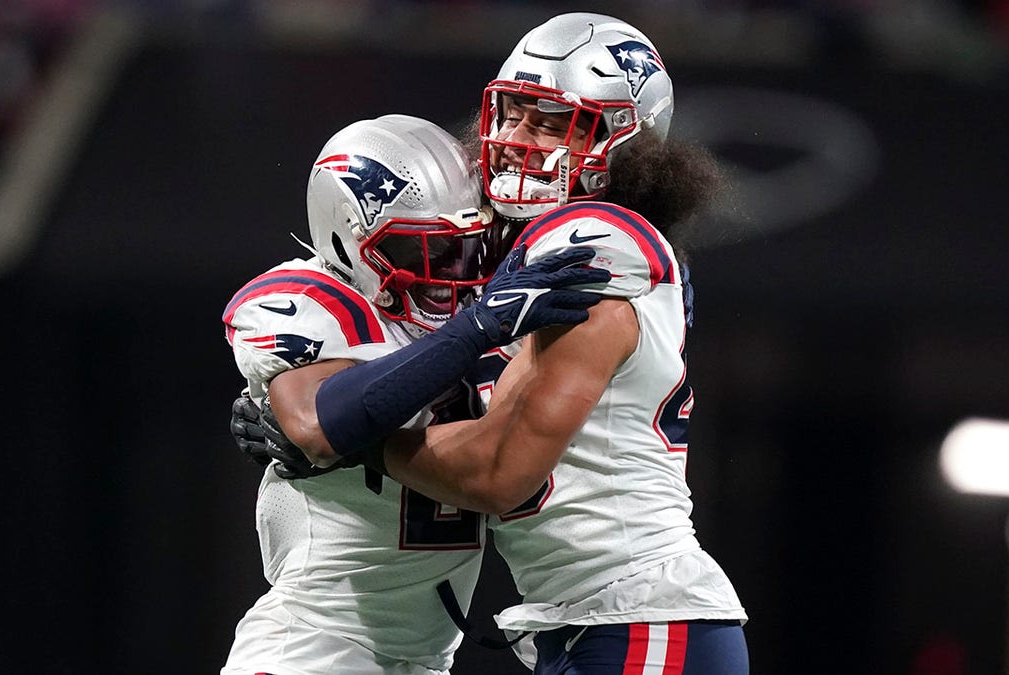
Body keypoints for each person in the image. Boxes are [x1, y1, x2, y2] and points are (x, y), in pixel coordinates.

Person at [237, 13, 751, 675]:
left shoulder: (590, 238)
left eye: (549, 122)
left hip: (638, 613)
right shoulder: (509, 250)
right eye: (511, 115)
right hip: (592, 621)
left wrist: (352, 438)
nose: (515, 140)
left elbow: (497, 471)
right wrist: (311, 402)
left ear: (627, 142)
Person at [219, 113, 609, 675]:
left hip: (423, 659)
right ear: (345, 240)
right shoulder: (312, 299)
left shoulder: (496, 304)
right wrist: (477, 328)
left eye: (462, 247)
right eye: (418, 251)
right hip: (314, 645)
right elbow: (313, 424)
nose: (451, 271)